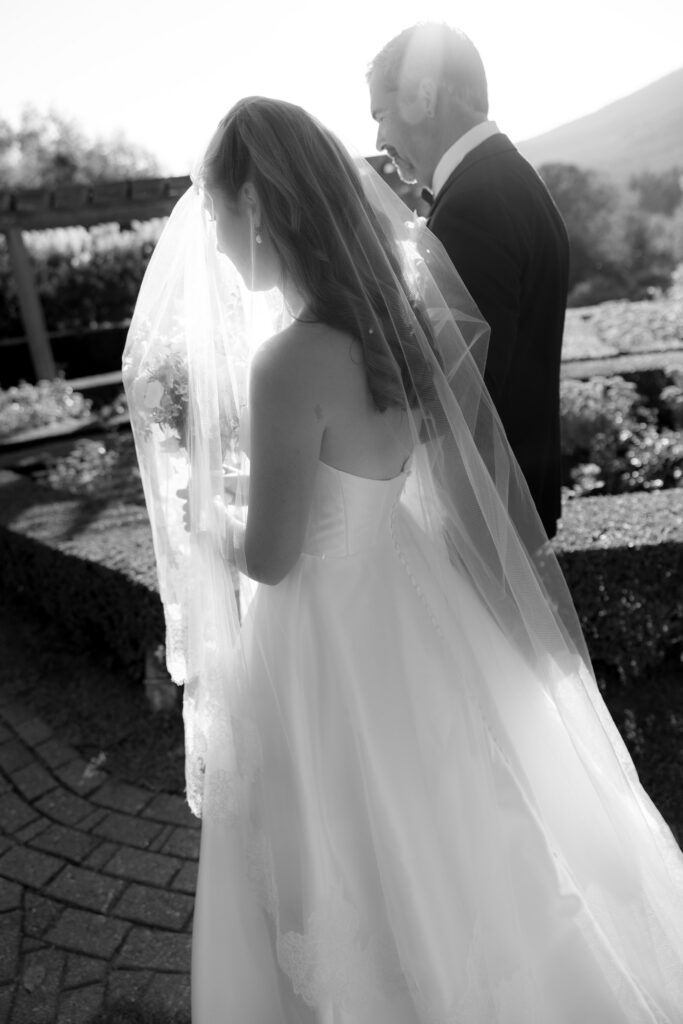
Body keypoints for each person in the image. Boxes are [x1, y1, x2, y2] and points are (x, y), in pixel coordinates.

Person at [123, 97, 683, 1023]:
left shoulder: (286, 360)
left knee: (345, 847)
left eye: (218, 217)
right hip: (415, 605)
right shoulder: (388, 325)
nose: (215, 241)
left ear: (258, 208)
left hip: (325, 642)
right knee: (457, 833)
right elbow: (361, 479)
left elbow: (270, 557)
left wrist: (205, 517)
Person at [368, 23, 569, 538]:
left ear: (425, 96)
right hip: (511, 509)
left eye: (381, 115)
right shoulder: (506, 179)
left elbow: (462, 393)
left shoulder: (475, 205)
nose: (379, 140)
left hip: (484, 522)